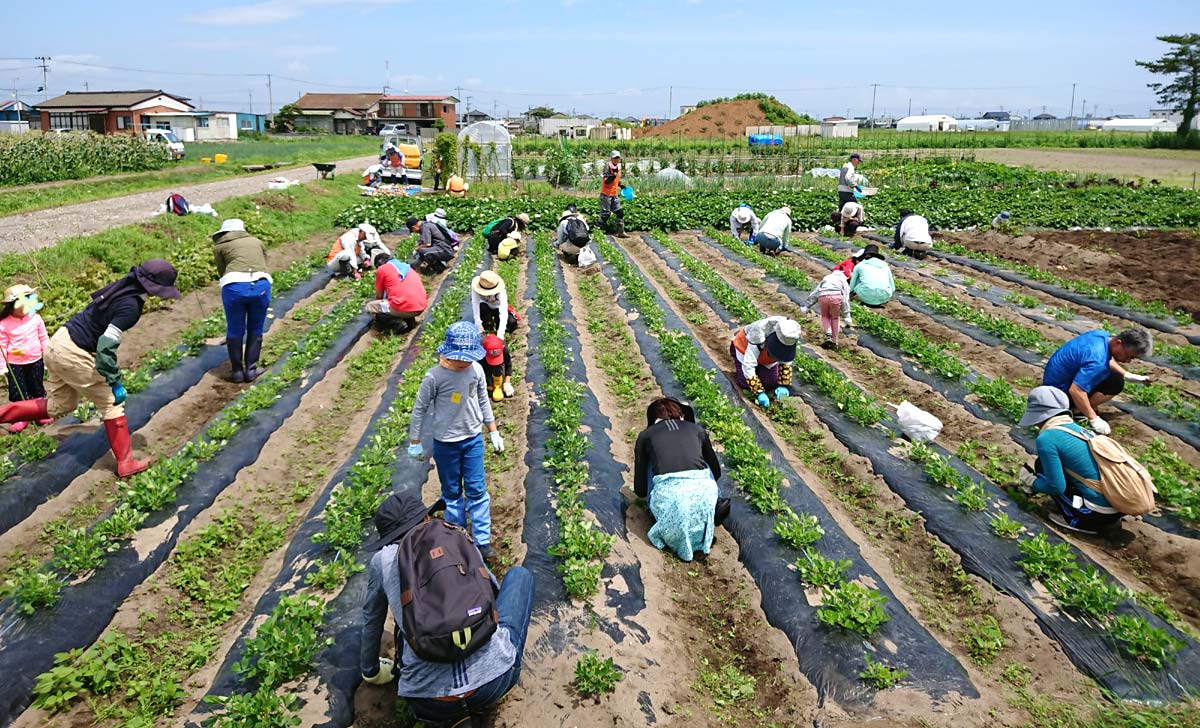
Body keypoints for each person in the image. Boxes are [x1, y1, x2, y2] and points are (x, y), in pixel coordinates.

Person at [359, 491, 535, 724]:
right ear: (426, 518)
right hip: (495, 681)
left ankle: (452, 716)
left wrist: (370, 670)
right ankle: (481, 690)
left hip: (428, 702)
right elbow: (490, 593)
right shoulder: (454, 536)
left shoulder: (382, 560)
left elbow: (372, 619)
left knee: (404, 624)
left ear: (388, 537)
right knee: (519, 575)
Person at [0, 260, 181, 477]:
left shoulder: (121, 287)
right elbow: (105, 349)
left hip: (58, 343)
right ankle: (126, 463)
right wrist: (114, 381)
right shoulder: (131, 307)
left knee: (63, 404)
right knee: (111, 403)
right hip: (73, 353)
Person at [408, 322, 505, 560]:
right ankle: (458, 537)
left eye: (470, 358)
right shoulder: (434, 377)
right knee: (451, 492)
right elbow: (419, 409)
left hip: (473, 440)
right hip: (446, 444)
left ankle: (482, 542)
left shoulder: (477, 370)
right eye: (461, 359)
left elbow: (483, 399)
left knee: (477, 490)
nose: (465, 363)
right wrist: (414, 441)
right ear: (448, 354)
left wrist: (492, 430)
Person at [1017, 386, 1124, 533]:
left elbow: (1056, 487)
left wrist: (1030, 481)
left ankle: (1075, 521)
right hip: (1119, 505)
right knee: (1047, 465)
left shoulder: (1047, 438)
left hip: (1097, 514)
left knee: (1042, 468)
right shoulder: (1079, 430)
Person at [634, 397, 724, 561]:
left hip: (670, 502)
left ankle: (671, 513)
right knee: (703, 463)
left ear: (653, 419)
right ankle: (716, 504)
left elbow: (639, 490)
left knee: (652, 462)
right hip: (705, 495)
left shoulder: (646, 436)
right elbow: (716, 472)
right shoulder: (697, 430)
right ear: (681, 414)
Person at [1042, 328, 1153, 436]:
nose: (1128, 361)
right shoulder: (1097, 361)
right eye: (1129, 356)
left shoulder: (1101, 336)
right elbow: (1076, 390)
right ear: (1119, 343)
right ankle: (1076, 411)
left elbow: (1105, 358)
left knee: (1116, 377)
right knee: (1115, 384)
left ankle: (1081, 407)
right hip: (1058, 396)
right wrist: (1093, 418)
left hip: (1053, 382)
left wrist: (1126, 374)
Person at [212, 218, 272, 383]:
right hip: (261, 285)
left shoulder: (220, 246)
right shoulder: (257, 241)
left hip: (234, 287)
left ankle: (237, 372)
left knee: (235, 329)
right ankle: (251, 370)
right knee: (256, 328)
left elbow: (222, 270)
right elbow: (264, 263)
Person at [0, 285, 52, 433]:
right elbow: (2, 347)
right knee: (18, 390)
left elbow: (43, 338)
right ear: (11, 306)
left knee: (37, 387)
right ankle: (21, 417)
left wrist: (47, 356)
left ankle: (40, 413)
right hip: (15, 364)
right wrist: (2, 366)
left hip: (35, 360)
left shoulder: (35, 318)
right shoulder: (3, 324)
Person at [729, 316, 801, 409]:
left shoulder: (790, 333)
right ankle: (750, 373)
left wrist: (784, 384)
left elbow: (786, 359)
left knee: (771, 383)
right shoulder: (759, 332)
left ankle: (761, 369)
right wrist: (759, 392)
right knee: (745, 383)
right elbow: (748, 365)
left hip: (765, 358)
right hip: (744, 349)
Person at [366, 252, 427, 333]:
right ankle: (410, 321)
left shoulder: (382, 269)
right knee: (400, 298)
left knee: (370, 306)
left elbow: (379, 296)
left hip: (405, 308)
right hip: (421, 306)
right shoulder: (406, 267)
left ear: (379, 265)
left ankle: (396, 324)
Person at [801, 269, 852, 349]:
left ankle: (828, 333)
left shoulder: (827, 277)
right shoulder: (843, 280)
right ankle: (835, 342)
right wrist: (847, 315)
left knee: (825, 316)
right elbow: (845, 298)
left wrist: (807, 306)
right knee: (835, 318)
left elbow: (816, 291)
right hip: (836, 297)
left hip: (823, 297)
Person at [472, 270, 518, 340]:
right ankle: (488, 323)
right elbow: (475, 303)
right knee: (484, 316)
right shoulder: (476, 287)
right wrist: (478, 324)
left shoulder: (501, 292)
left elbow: (503, 312)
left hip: (497, 307)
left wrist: (500, 334)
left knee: (511, 323)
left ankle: (495, 322)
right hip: (485, 306)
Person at [600, 150, 628, 238]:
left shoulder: (618, 167)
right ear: (611, 158)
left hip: (614, 194)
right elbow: (607, 181)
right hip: (606, 194)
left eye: (618, 158)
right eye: (615, 158)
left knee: (620, 212)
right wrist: (613, 175)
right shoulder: (607, 167)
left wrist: (620, 185)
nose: (616, 160)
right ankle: (596, 230)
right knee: (606, 215)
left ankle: (621, 232)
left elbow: (616, 179)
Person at [481, 334, 513, 402]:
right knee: (484, 367)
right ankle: (488, 383)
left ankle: (497, 385)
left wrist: (507, 382)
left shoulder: (504, 348)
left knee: (497, 367)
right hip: (483, 359)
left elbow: (508, 364)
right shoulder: (480, 349)